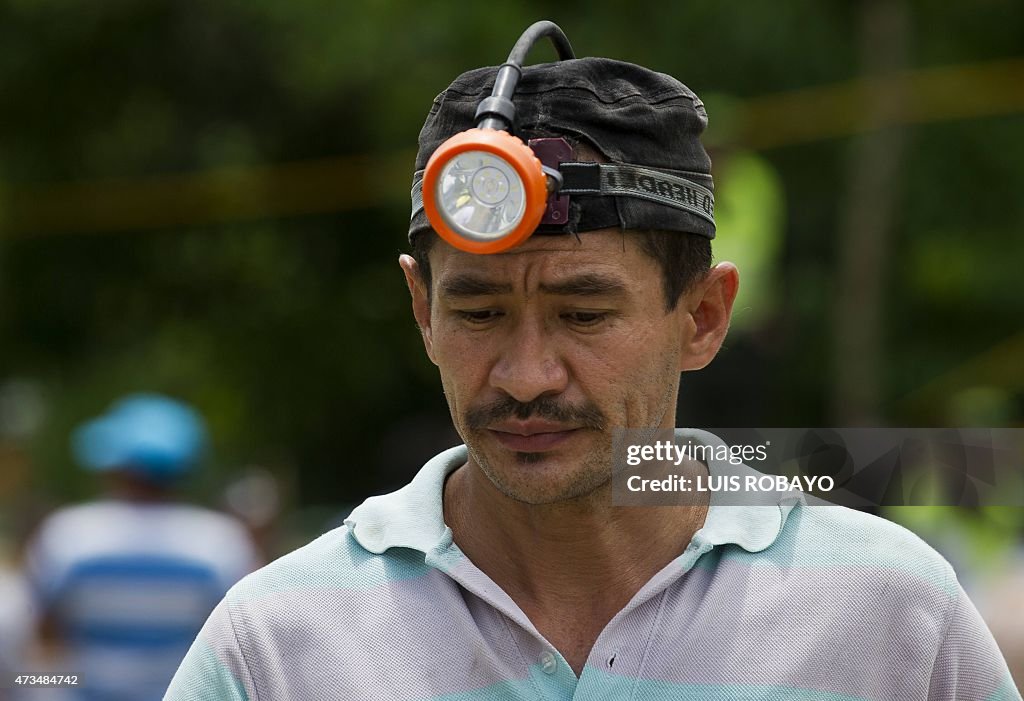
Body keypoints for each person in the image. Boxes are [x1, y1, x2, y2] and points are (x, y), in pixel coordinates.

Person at [166, 23, 1021, 700]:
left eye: (583, 313)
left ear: (705, 317)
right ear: (421, 311)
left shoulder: (890, 613)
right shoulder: (277, 646)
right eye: (477, 310)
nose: (526, 374)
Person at [26, 394, 259, 701]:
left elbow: (41, 636)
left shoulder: (70, 535)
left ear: (118, 466)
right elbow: (244, 641)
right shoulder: (220, 542)